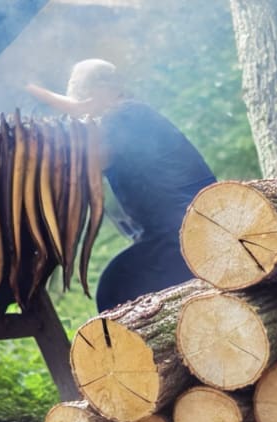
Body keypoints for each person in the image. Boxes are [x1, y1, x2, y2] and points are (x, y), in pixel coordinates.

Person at [26, 59, 216, 312]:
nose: (85, 111)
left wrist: (32, 90)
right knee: (119, 291)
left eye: (85, 93)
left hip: (188, 230)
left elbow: (92, 154)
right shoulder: (119, 120)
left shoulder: (128, 114)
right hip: (168, 235)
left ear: (106, 90)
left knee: (116, 292)